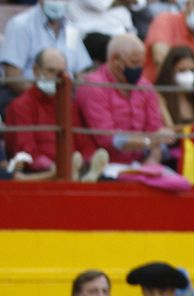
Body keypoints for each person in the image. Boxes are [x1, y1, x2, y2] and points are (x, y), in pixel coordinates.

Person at [5, 48, 103, 181]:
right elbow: (26, 151)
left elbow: (85, 143)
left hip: (74, 166)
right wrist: (54, 167)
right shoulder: (20, 106)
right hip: (40, 173)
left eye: (61, 73)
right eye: (51, 71)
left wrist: (89, 160)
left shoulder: (69, 105)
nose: (57, 78)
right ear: (36, 71)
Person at [78, 34, 176, 166]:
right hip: (103, 165)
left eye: (142, 63)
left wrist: (153, 159)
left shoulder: (145, 86)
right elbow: (107, 138)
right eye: (134, 63)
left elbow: (155, 130)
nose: (139, 68)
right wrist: (148, 141)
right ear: (115, 60)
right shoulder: (94, 86)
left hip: (141, 164)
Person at [0, 0, 92, 108]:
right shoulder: (21, 25)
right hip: (29, 102)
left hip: (65, 103)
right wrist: (48, 101)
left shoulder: (71, 29)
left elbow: (81, 73)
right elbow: (13, 78)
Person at [143, 0, 194, 85]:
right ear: (187, 4)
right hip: (156, 90)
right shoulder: (166, 20)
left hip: (193, 95)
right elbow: (161, 60)